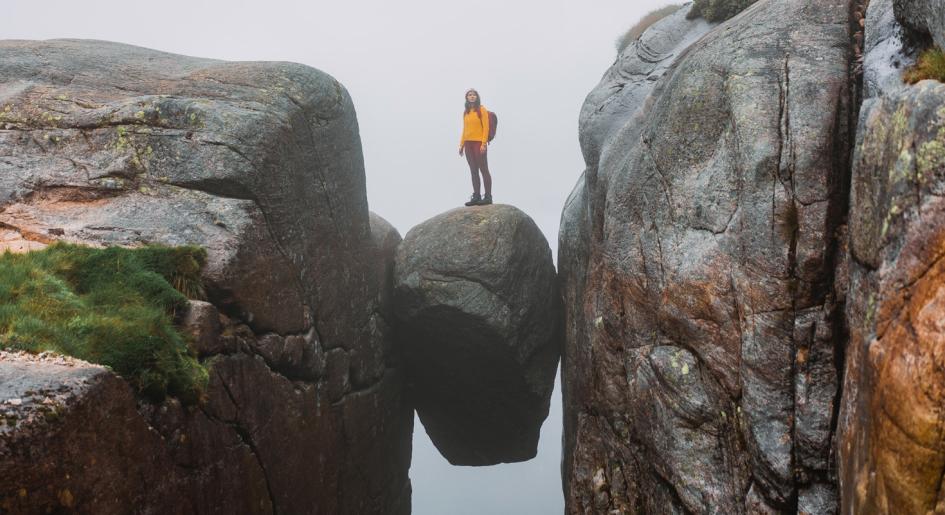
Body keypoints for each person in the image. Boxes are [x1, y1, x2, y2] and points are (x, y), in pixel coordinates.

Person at [458, 88, 493, 206]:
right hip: (468, 144)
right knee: (473, 170)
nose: (472, 96)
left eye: (474, 95)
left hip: (479, 143)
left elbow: (486, 127)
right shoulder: (466, 112)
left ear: (477, 97)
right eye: (469, 95)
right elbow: (465, 129)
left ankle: (488, 196)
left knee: (483, 169)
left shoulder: (481, 109)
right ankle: (476, 196)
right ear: (466, 98)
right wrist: (461, 144)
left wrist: (483, 143)